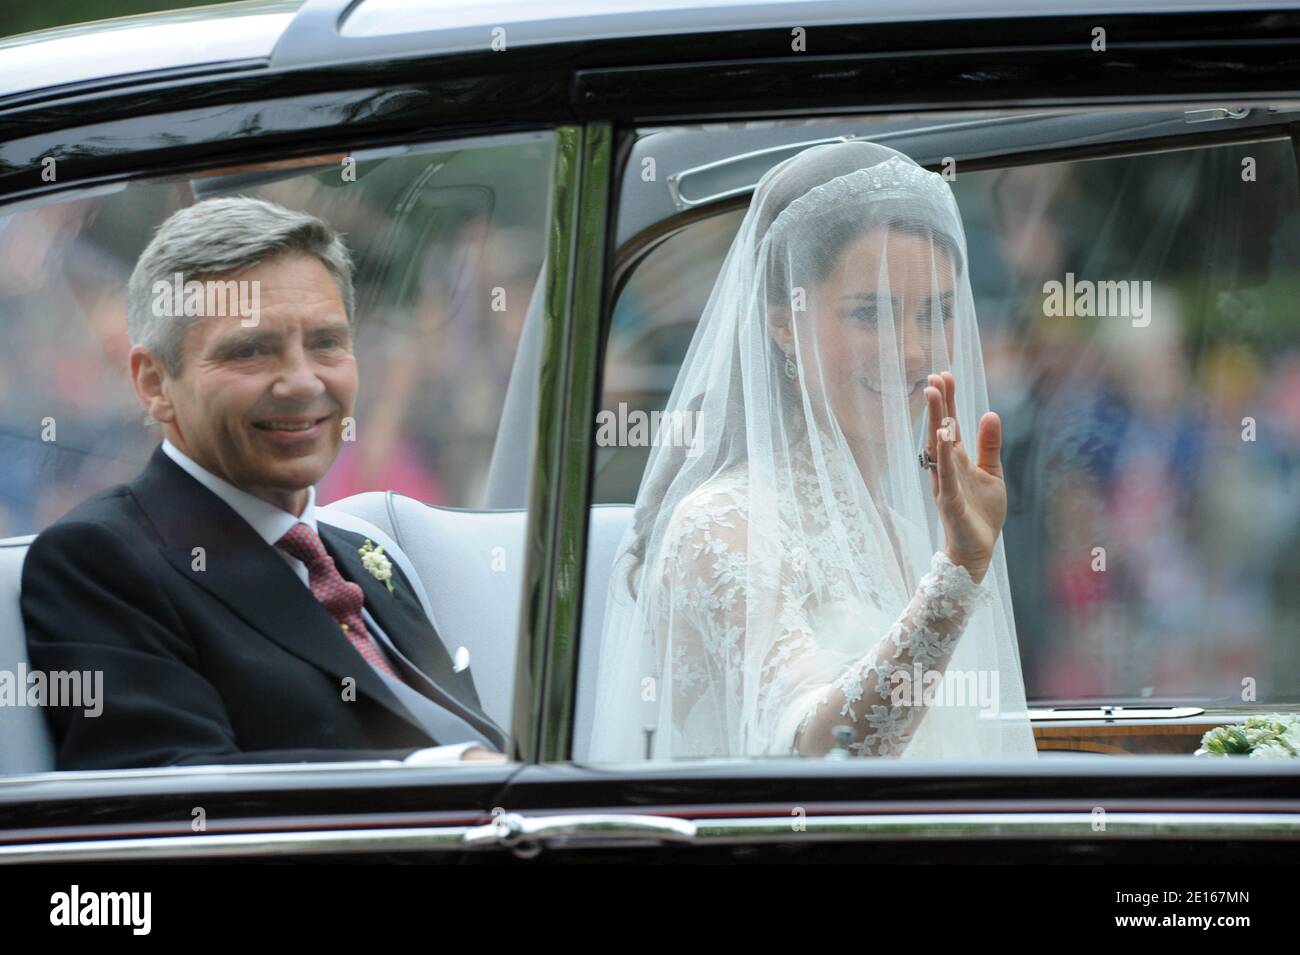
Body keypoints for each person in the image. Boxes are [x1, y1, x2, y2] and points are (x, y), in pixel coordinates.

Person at [588, 142, 1038, 761]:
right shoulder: (722, 527)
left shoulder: (909, 536)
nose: (911, 351)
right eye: (869, 313)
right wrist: (958, 575)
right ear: (782, 322)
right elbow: (819, 751)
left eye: (934, 314)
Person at [21, 197, 507, 769]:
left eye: (326, 343)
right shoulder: (99, 562)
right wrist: (443, 777)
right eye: (251, 351)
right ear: (154, 382)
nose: (302, 382)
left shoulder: (364, 556)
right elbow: (172, 813)